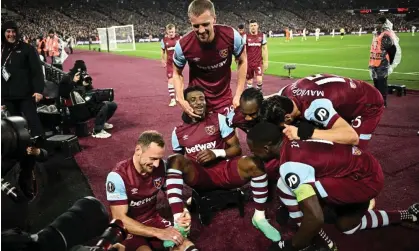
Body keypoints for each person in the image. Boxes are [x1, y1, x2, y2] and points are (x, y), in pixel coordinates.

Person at [247, 122, 419, 251]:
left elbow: (315, 218)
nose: (253, 155)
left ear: (266, 147)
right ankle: (407, 215)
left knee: (285, 187)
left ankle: (318, 241)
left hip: (363, 180)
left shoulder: (290, 165)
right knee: (347, 226)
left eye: (253, 150)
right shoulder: (292, 135)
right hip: (362, 166)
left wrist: (291, 245)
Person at [166, 86, 281, 243]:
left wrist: (217, 153)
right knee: (174, 160)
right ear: (185, 104)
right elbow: (178, 166)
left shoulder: (218, 119)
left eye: (202, 99)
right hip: (201, 178)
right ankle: (179, 222)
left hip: (225, 171)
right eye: (193, 100)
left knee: (255, 163)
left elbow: (236, 149)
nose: (199, 103)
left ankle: (259, 217)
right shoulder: (177, 132)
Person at [106, 131, 197, 251]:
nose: (156, 164)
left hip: (153, 219)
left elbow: (173, 194)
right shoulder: (117, 176)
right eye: (153, 158)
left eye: (159, 158)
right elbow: (120, 219)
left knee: (186, 246)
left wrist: (183, 211)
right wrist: (158, 232)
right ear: (138, 150)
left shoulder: (161, 167)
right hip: (130, 228)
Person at [267, 73, 384, 150]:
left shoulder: (315, 106)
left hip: (367, 103)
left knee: (355, 151)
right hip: (344, 96)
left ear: (287, 118)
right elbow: (270, 99)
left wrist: (304, 133)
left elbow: (352, 137)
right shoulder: (286, 92)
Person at [172, 0, 247, 117]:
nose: (201, 30)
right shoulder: (182, 46)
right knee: (197, 135)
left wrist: (238, 94)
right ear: (190, 22)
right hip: (197, 101)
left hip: (224, 98)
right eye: (196, 26)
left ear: (214, 19)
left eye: (205, 24)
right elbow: (176, 73)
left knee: (230, 134)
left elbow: (242, 60)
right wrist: (180, 98)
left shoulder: (231, 36)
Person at [1, 21, 45, 137]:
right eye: (8, 31)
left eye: (14, 31)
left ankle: (41, 148)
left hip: (26, 95)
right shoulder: (1, 50)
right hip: (7, 97)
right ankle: (21, 149)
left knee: (33, 122)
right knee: (13, 127)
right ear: (3, 33)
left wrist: (38, 90)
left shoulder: (27, 49)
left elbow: (37, 71)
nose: (11, 34)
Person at [59, 60, 117, 138]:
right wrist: (73, 82)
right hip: (77, 109)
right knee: (104, 105)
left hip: (87, 104)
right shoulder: (67, 78)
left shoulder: (84, 78)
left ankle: (102, 122)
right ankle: (97, 131)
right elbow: (63, 94)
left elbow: (90, 93)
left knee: (112, 105)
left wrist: (87, 85)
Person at [369, 17, 401, 107]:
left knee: (382, 83)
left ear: (384, 24)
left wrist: (389, 62)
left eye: (379, 23)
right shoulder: (377, 35)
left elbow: (393, 49)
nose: (377, 25)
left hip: (382, 64)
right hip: (374, 62)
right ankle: (377, 101)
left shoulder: (385, 35)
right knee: (376, 83)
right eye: (376, 23)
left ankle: (382, 102)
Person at [244, 20, 268, 91]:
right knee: (249, 82)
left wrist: (266, 61)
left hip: (258, 62)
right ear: (249, 27)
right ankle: (250, 96)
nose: (253, 27)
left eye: (254, 25)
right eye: (251, 26)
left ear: (257, 26)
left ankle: (259, 93)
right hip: (248, 63)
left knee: (259, 80)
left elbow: (264, 49)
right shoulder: (246, 37)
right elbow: (244, 50)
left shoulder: (262, 36)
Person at [161, 24, 181, 107]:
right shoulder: (164, 40)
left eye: (173, 31)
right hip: (169, 63)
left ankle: (178, 96)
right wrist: (162, 59)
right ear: (167, 32)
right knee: (170, 80)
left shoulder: (179, 38)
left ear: (175, 30)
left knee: (178, 79)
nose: (171, 33)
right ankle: (172, 99)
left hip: (178, 63)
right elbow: (162, 51)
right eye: (170, 32)